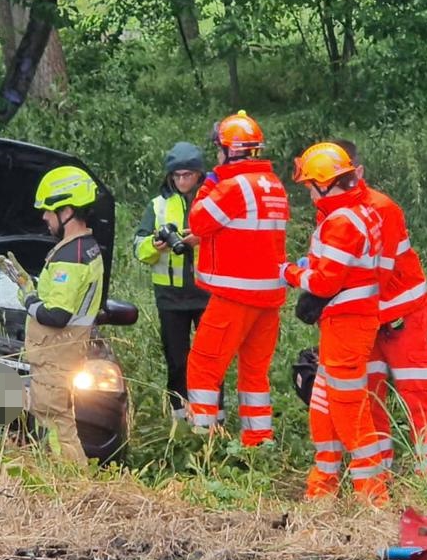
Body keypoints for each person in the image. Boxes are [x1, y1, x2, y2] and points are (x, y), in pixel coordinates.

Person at [285, 142, 389, 506]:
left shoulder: (343, 221)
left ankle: (373, 501)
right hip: (343, 324)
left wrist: (292, 273)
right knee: (323, 406)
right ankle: (321, 494)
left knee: (347, 409)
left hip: (348, 325)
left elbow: (326, 282)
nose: (310, 192)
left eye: (312, 185)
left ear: (327, 184)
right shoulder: (354, 212)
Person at [334, 139, 427, 474]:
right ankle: (378, 479)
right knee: (369, 395)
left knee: (416, 393)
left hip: (402, 313)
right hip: (367, 317)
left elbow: (374, 273)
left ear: (359, 171)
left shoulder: (382, 208)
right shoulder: (333, 211)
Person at [184, 111, 289, 446]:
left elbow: (199, 222)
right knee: (254, 374)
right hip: (268, 298)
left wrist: (210, 184)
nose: (216, 156)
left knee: (203, 366)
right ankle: (259, 442)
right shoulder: (274, 185)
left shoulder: (232, 187)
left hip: (235, 294)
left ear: (230, 151)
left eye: (219, 149)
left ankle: (202, 441)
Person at [20, 166, 106, 465]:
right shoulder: (85, 248)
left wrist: (27, 297)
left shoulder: (72, 256)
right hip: (64, 353)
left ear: (67, 210)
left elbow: (56, 314)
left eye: (49, 210)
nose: (44, 217)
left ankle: (70, 488)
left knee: (57, 427)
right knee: (56, 424)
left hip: (57, 355)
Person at [132, 142, 209, 420]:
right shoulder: (158, 205)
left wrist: (202, 238)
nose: (181, 181)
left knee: (210, 360)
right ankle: (179, 417)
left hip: (207, 293)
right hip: (170, 297)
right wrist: (156, 245)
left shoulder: (213, 201)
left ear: (199, 174)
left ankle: (211, 418)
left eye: (187, 175)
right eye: (176, 176)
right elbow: (139, 248)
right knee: (177, 360)